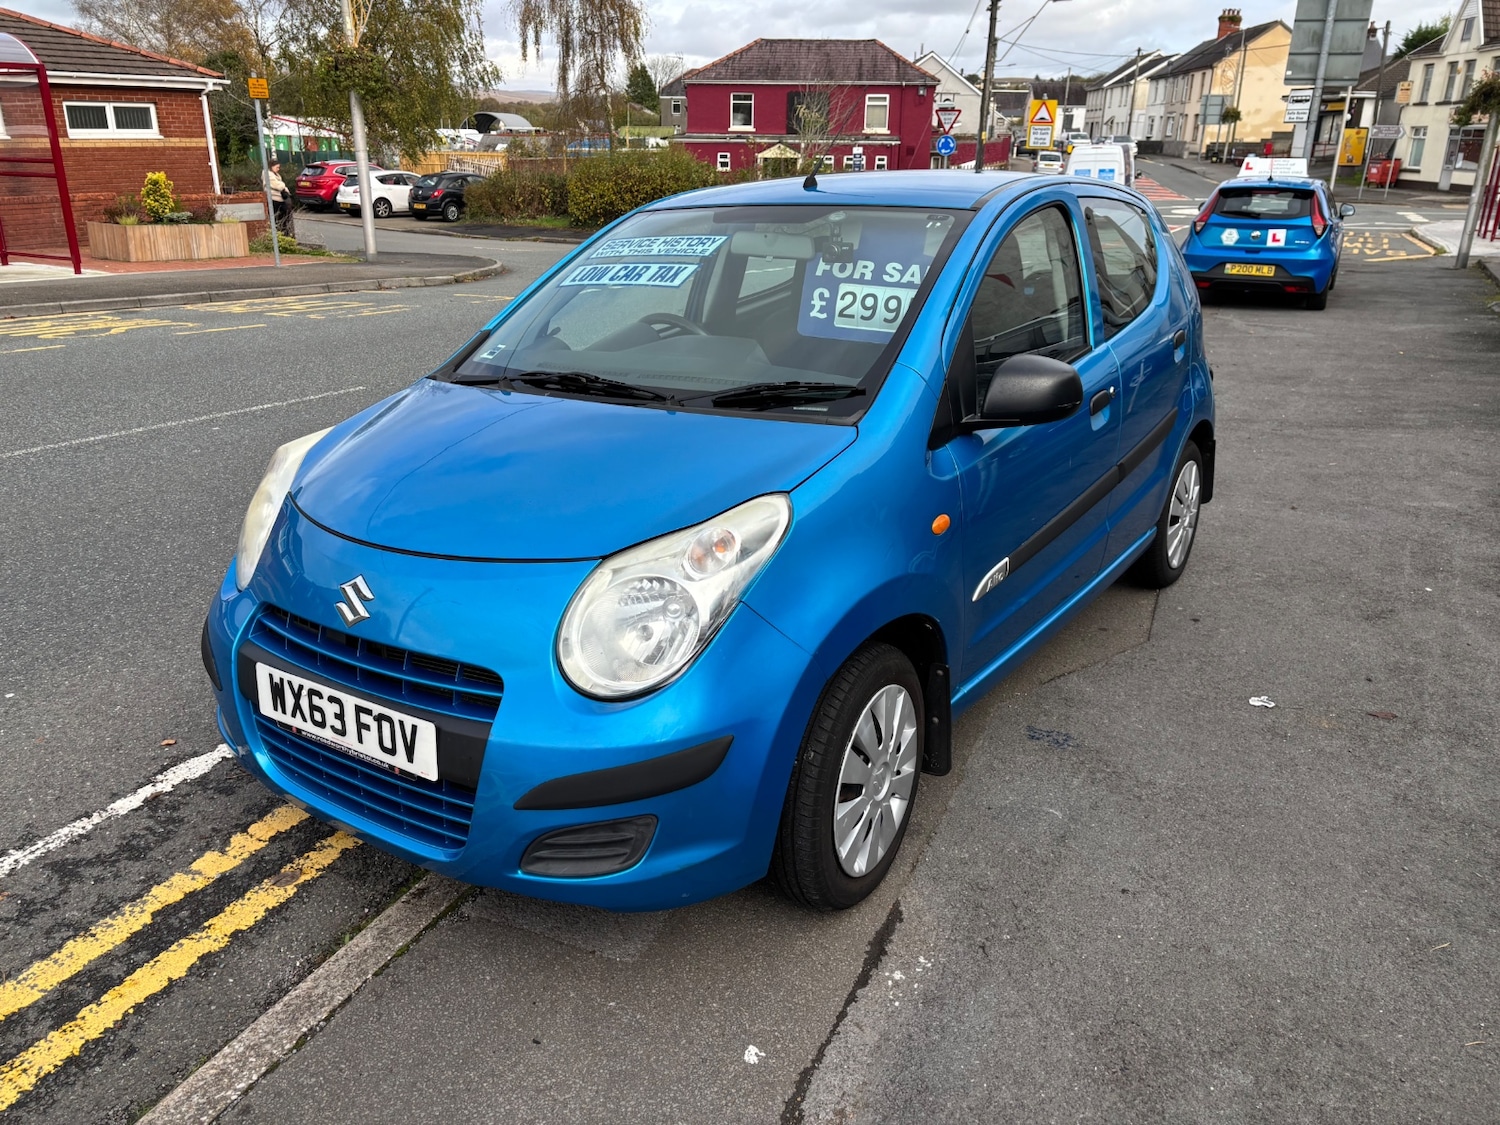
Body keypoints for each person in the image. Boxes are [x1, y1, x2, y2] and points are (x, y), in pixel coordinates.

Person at [264, 158, 293, 237]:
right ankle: (281, 235)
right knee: (278, 218)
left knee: (284, 218)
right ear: (271, 166)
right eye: (277, 167)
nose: (278, 169)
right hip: (274, 199)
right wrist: (283, 186)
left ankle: (285, 234)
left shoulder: (274, 174)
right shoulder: (267, 174)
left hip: (280, 199)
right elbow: (277, 185)